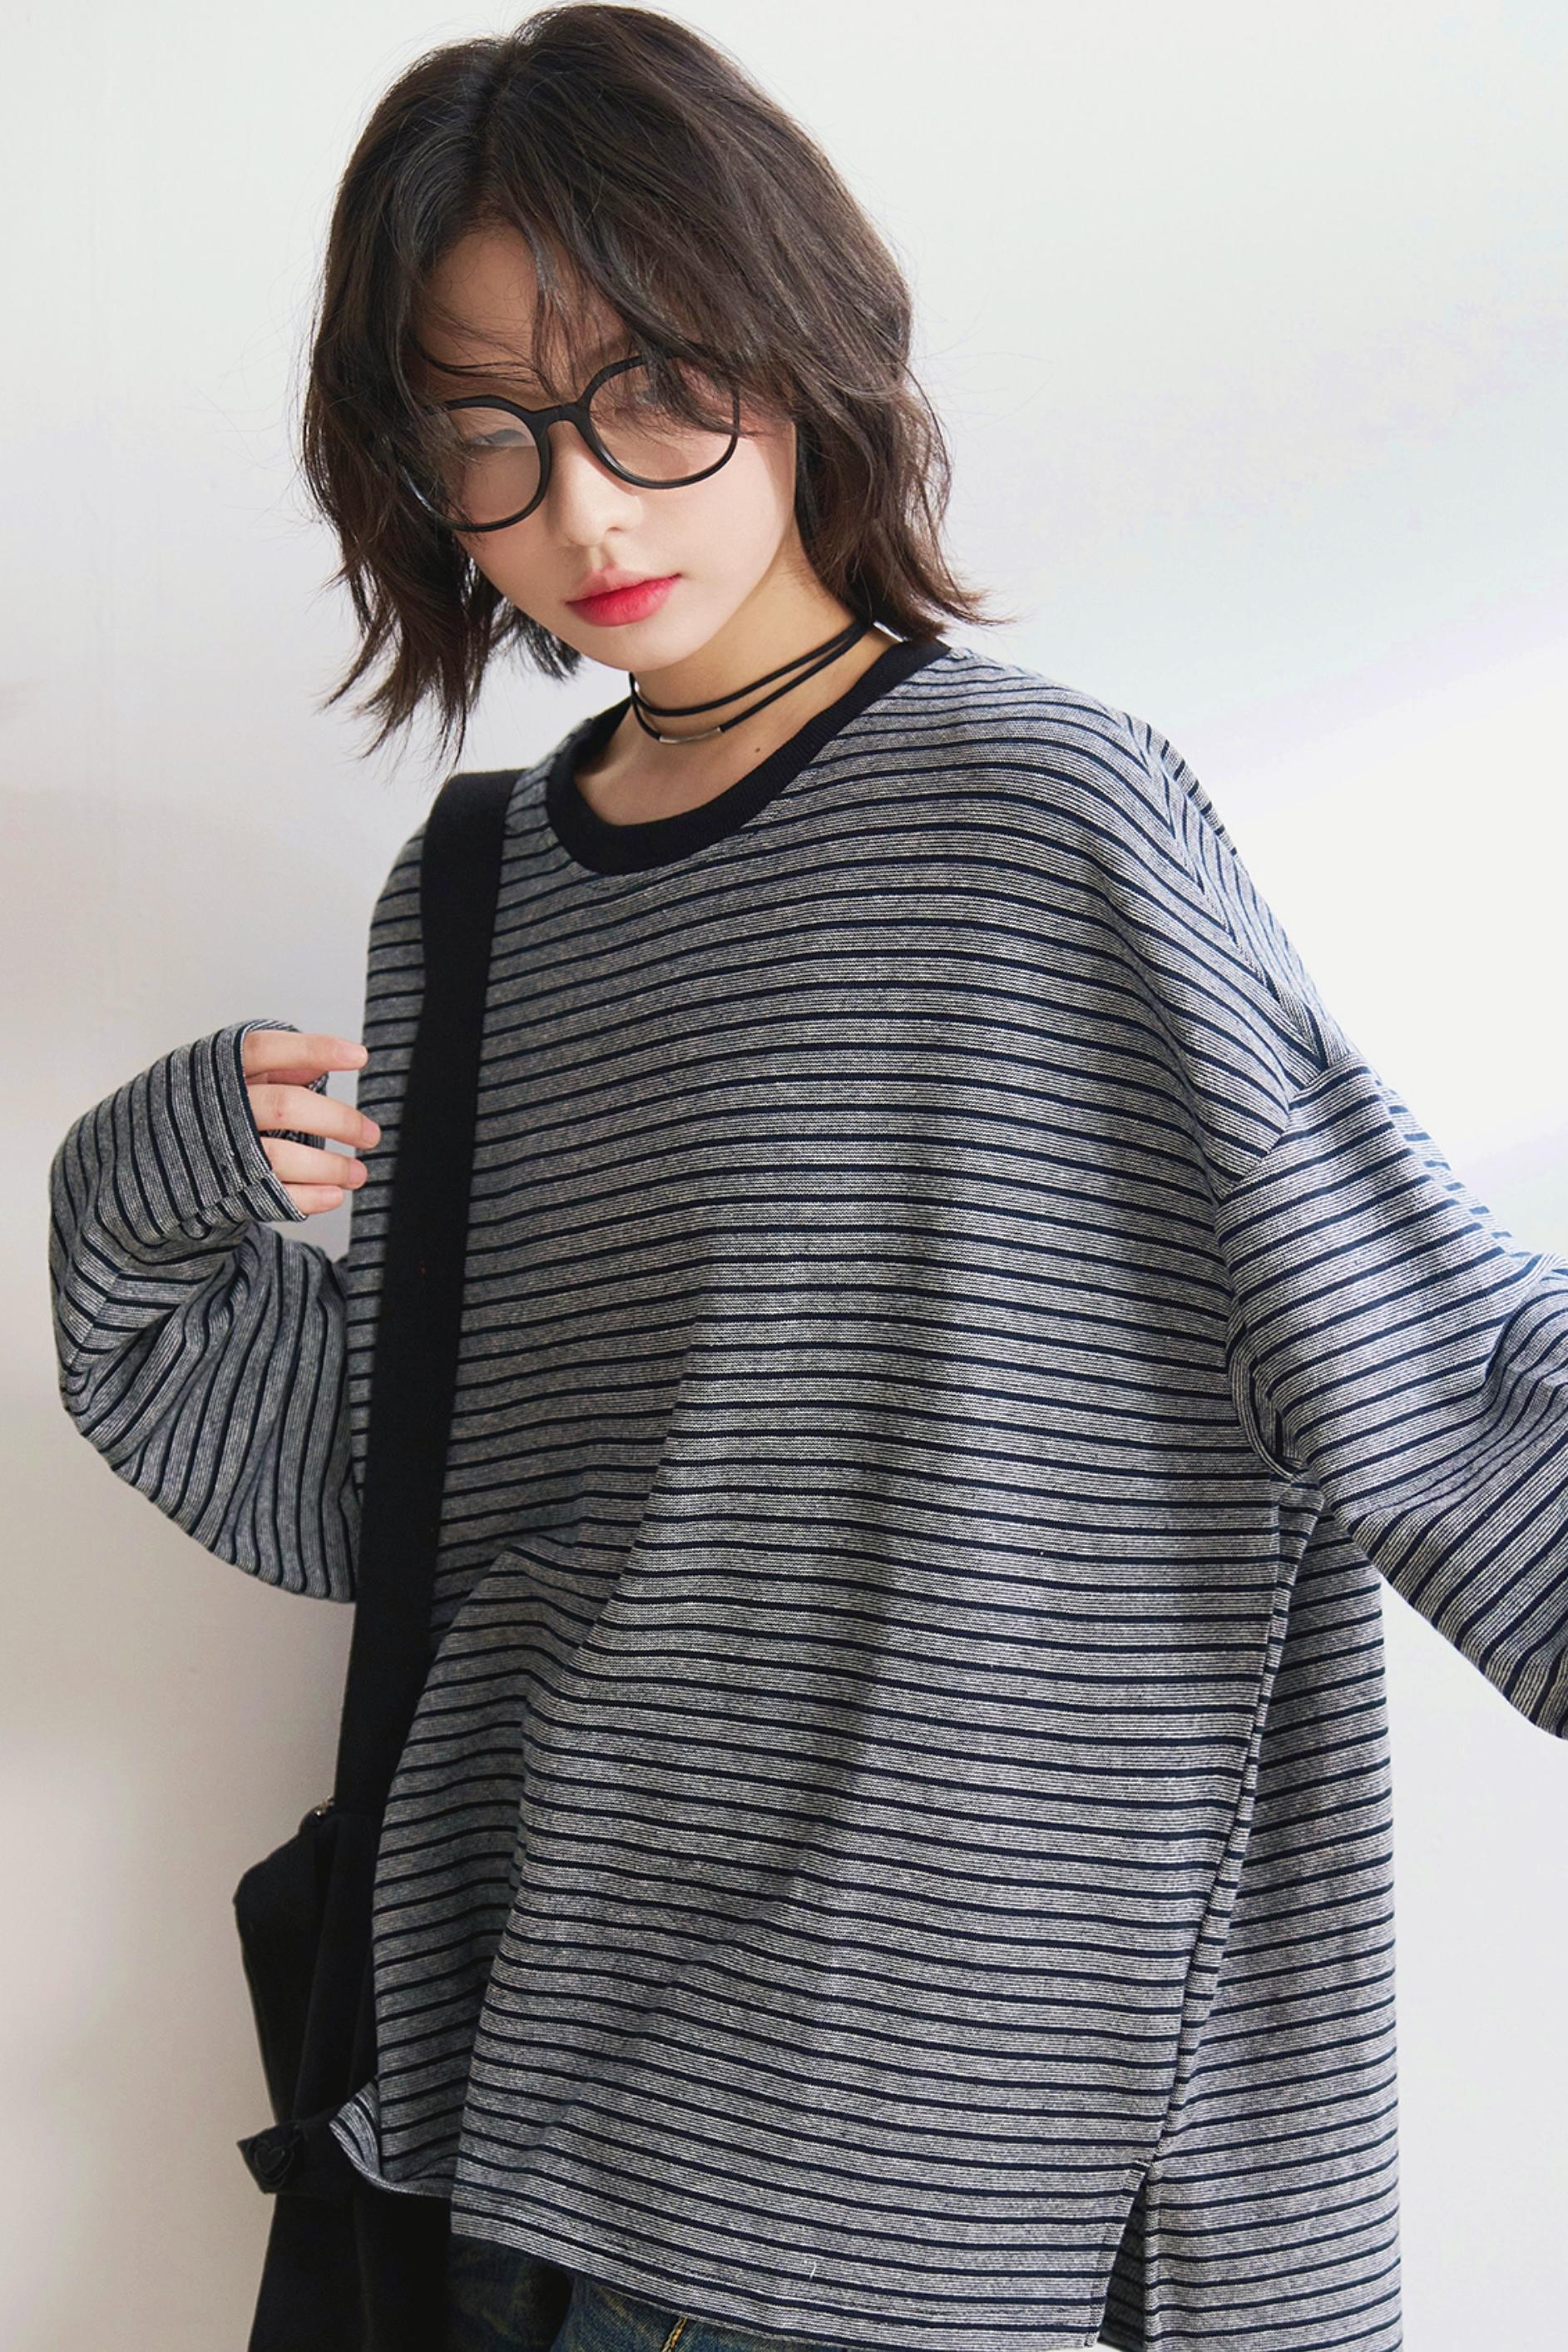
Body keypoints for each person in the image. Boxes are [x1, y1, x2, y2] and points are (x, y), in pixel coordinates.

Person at [45, 9, 1567, 2352]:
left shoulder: (1040, 820)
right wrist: (138, 1190)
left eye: (651, 389)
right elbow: (398, 1495)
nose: (586, 510)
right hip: (538, 2161)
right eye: (490, 431)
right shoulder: (478, 897)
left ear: (797, 340)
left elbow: (1430, 1366)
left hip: (957, 2212)